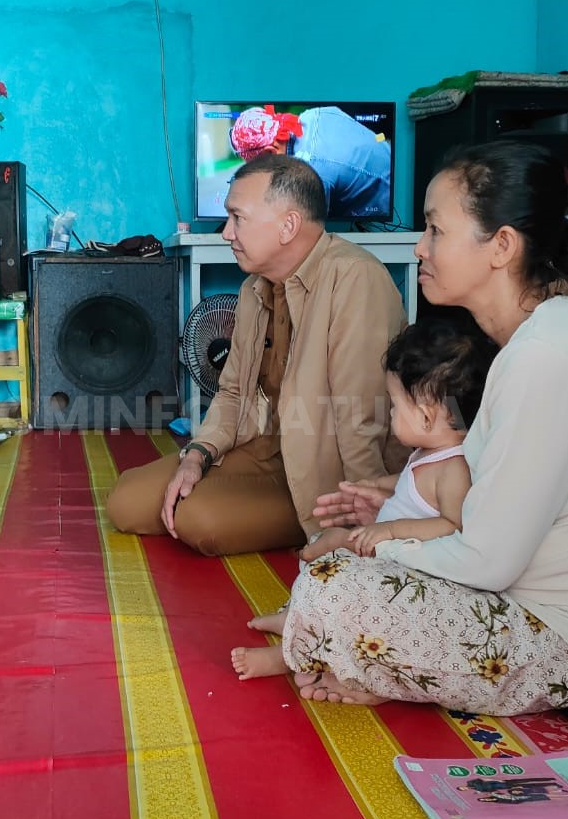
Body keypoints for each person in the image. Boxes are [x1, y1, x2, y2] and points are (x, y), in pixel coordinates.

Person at [276, 141, 568, 714]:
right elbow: (495, 509)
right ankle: (377, 666)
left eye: (436, 230)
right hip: (531, 596)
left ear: (501, 247)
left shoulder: (548, 360)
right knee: (336, 572)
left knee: (339, 586)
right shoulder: (533, 344)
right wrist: (403, 514)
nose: (419, 247)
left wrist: (379, 545)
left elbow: (489, 562)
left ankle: (377, 667)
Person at [104, 154, 407, 556]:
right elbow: (231, 392)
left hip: (326, 478)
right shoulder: (254, 288)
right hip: (266, 448)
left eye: (237, 217)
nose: (226, 232)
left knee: (198, 520)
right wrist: (198, 454)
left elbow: (361, 416)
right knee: (126, 501)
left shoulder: (355, 278)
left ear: (288, 225)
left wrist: (362, 524)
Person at [231, 320, 495, 681]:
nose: (389, 414)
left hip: (408, 571)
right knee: (321, 550)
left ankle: (289, 656)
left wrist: (390, 530)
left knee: (335, 572)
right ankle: (297, 616)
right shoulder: (427, 452)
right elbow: (410, 484)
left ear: (427, 415)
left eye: (395, 406)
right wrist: (378, 484)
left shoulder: (454, 469)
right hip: (384, 552)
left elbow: (453, 524)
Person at [230, 105, 392, 218]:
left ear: (272, 152)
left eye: (255, 166)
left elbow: (307, 233)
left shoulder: (311, 175)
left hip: (382, 198)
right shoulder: (313, 114)